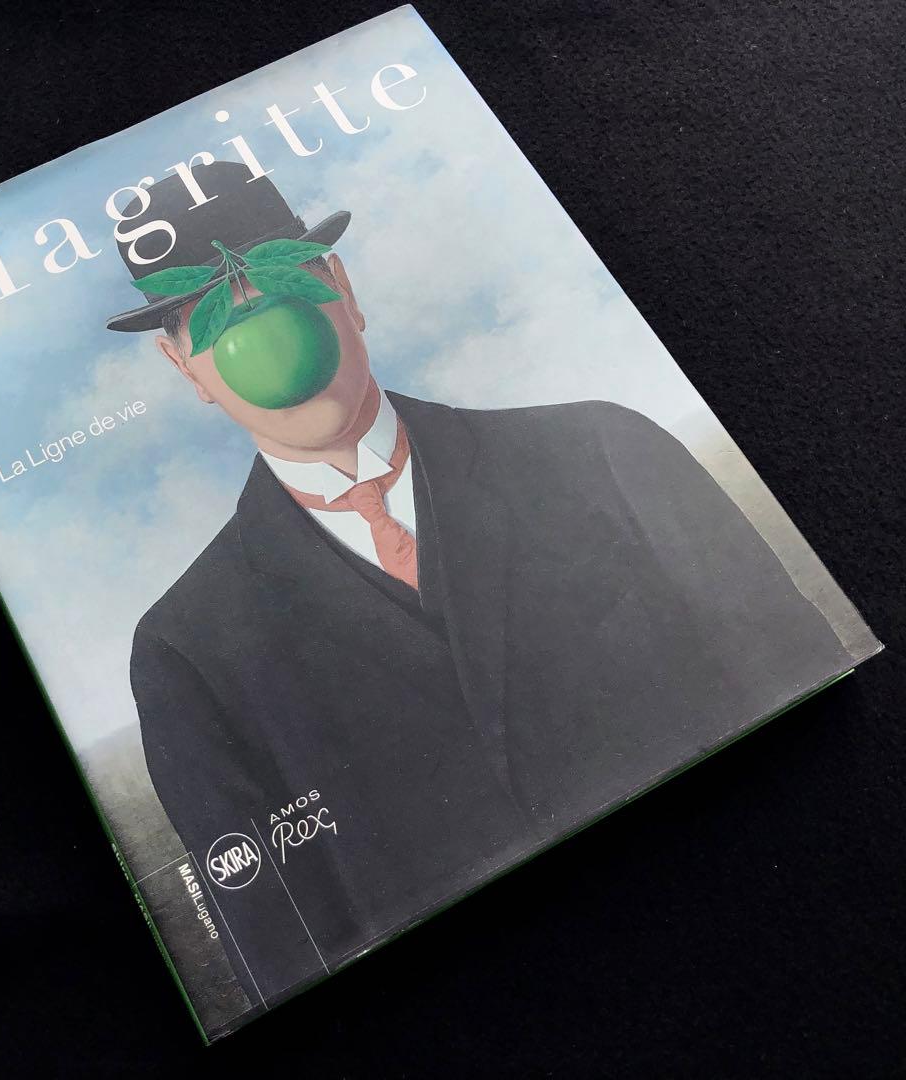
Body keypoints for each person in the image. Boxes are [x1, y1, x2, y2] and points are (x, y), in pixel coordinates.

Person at [109, 161, 850, 1008]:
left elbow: (810, 696)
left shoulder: (606, 451)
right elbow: (285, 960)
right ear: (186, 370)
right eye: (213, 319)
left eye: (285, 284)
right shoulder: (182, 653)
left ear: (343, 289)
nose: (266, 335)